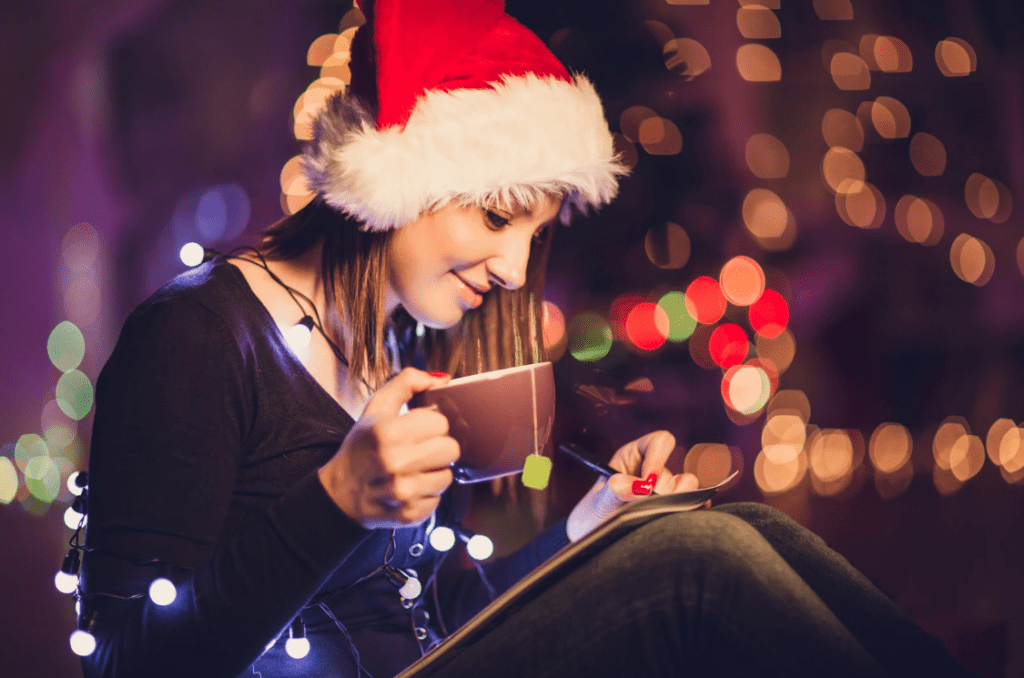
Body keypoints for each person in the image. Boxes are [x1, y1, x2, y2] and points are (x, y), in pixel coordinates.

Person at [78, 1, 975, 677]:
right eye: (498, 216)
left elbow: (446, 613)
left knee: (730, 528)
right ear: (399, 179)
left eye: (533, 237)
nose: (513, 270)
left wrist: (582, 535)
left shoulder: (401, 346)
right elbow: (120, 659)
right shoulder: (197, 335)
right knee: (696, 566)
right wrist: (337, 500)